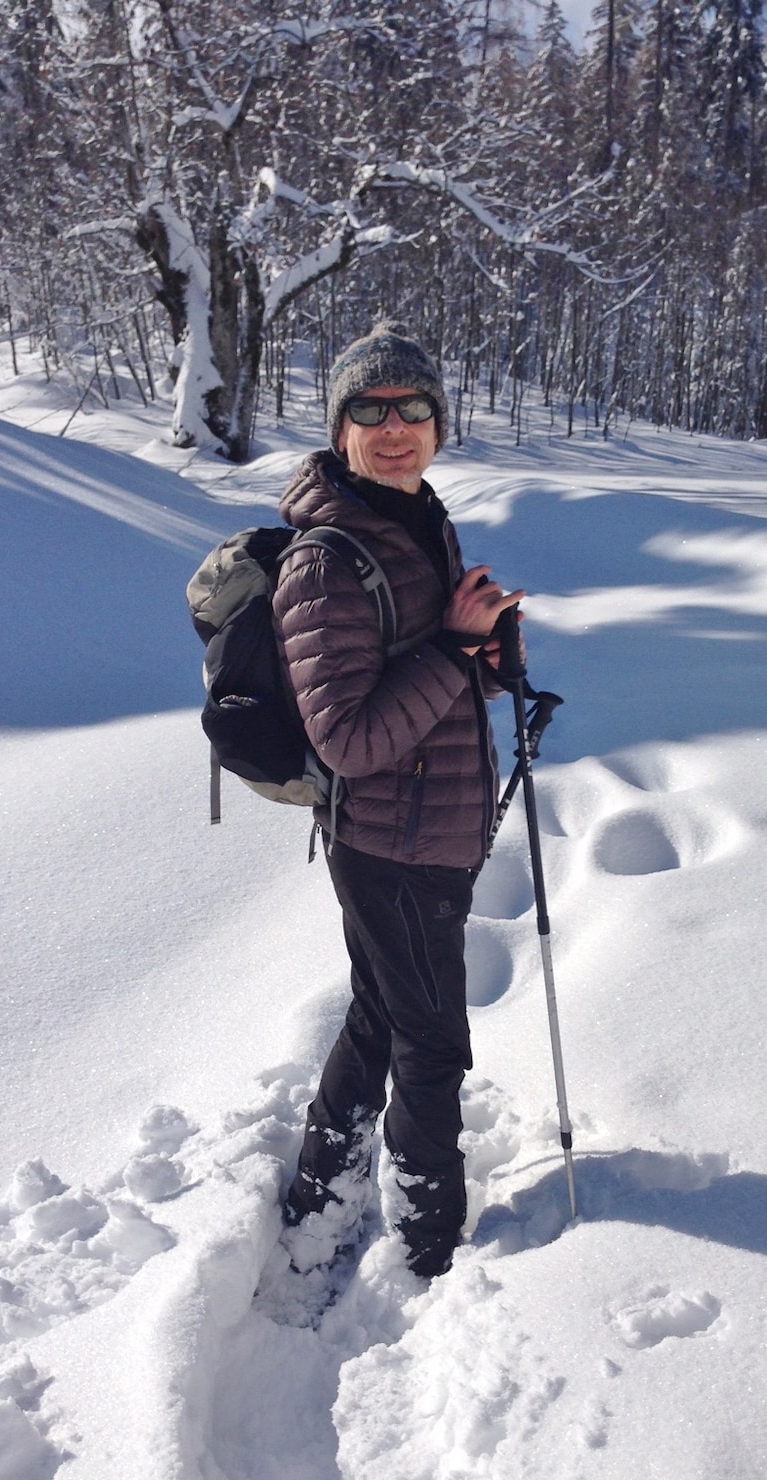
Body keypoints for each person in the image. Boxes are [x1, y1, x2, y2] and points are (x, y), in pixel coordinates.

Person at [271, 322, 523, 1280]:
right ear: (339, 430)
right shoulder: (327, 560)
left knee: (382, 1015)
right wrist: (454, 647)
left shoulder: (416, 519)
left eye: (412, 407)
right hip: (389, 846)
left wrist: (487, 654)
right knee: (431, 1042)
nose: (393, 427)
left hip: (429, 834)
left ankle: (319, 1196)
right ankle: (427, 1243)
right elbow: (350, 739)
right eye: (369, 410)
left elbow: (433, 685)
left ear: (438, 424)